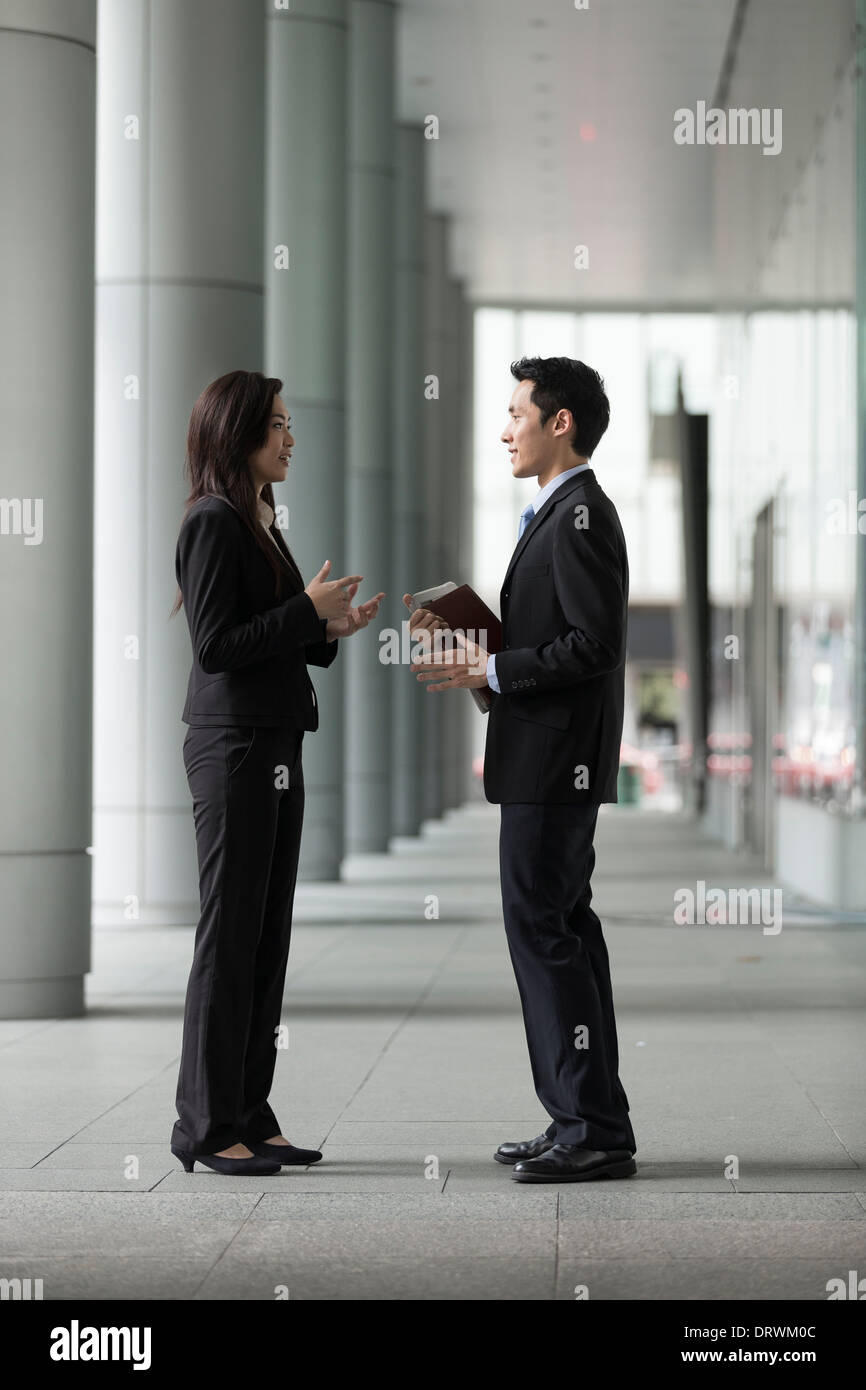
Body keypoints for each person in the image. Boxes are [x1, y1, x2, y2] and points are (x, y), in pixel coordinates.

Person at [407, 355, 636, 1183]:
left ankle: (591, 1128)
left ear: (560, 422)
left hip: (554, 765)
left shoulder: (578, 515)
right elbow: (566, 637)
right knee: (564, 932)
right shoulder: (555, 514)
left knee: (546, 934)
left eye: (516, 413)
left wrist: (492, 671)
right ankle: (586, 1118)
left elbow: (596, 645)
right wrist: (482, 648)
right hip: (546, 760)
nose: (505, 430)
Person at [169, 369, 384, 1176]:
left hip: (275, 742)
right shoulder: (213, 522)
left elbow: (278, 635)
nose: (292, 437)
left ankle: (251, 1116)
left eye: (292, 423)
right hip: (234, 749)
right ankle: (204, 1125)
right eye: (280, 425)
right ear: (240, 433)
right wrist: (305, 610)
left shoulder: (261, 520)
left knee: (265, 937)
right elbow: (217, 647)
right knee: (229, 937)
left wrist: (332, 624)